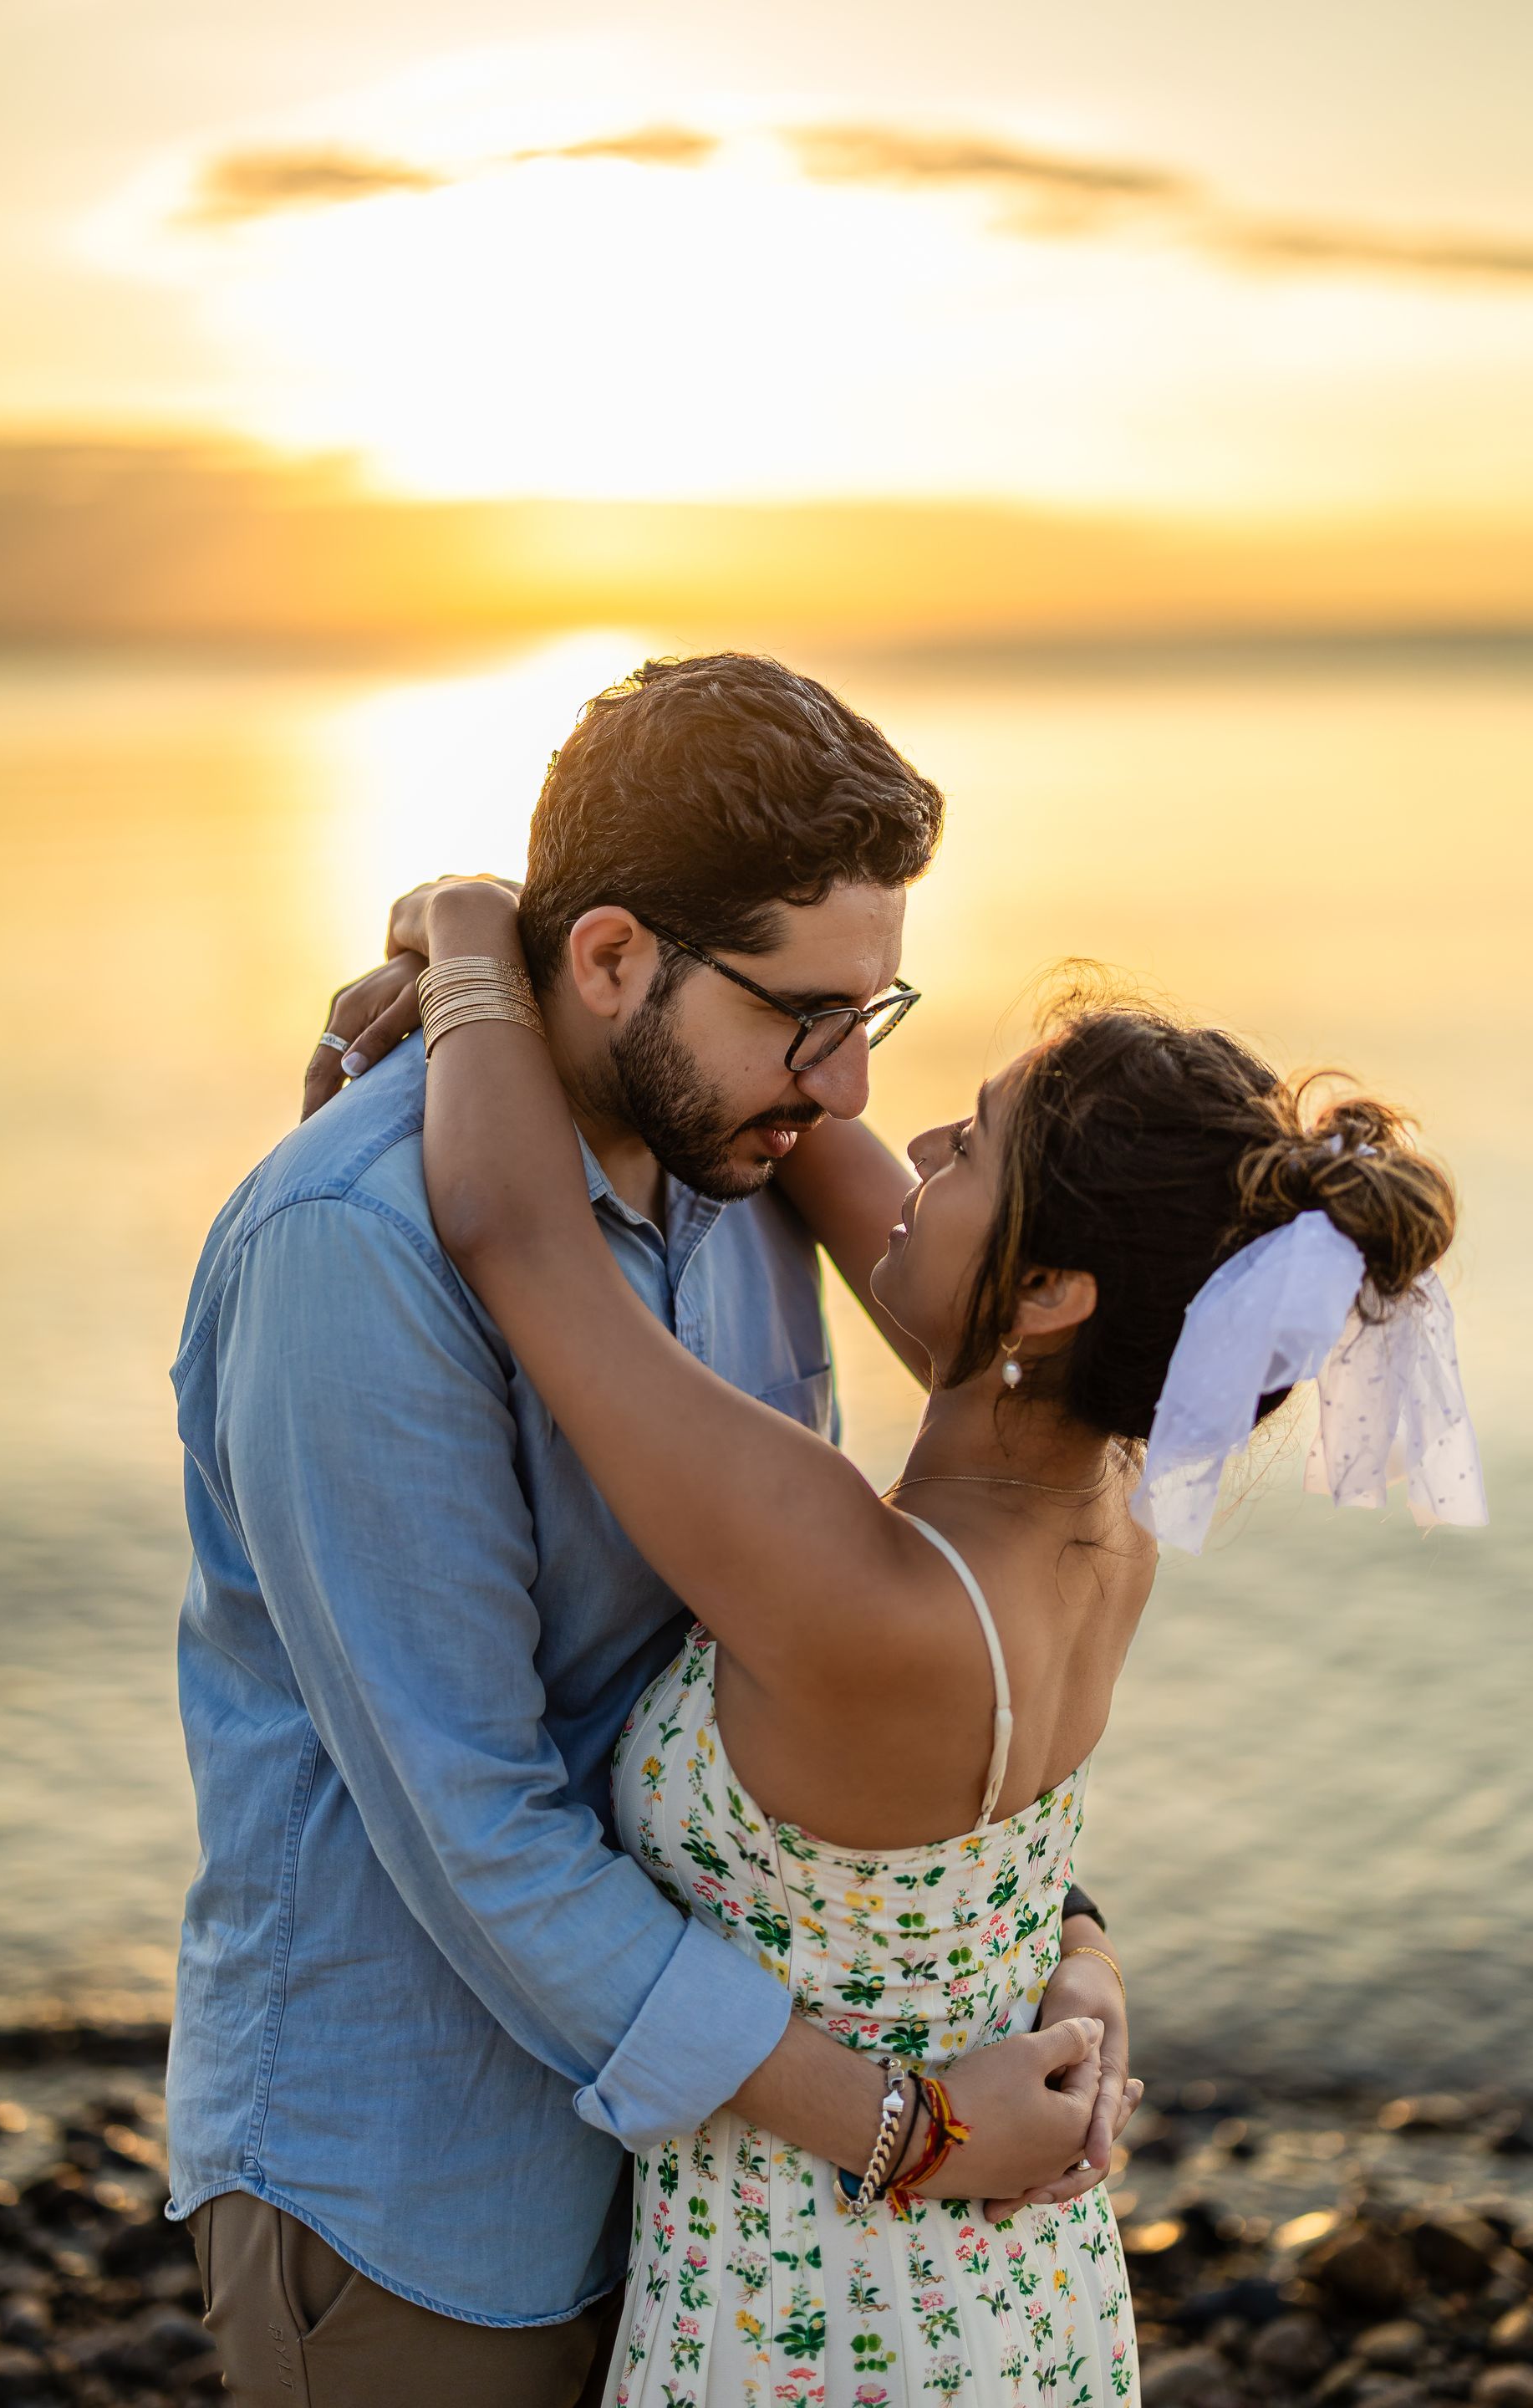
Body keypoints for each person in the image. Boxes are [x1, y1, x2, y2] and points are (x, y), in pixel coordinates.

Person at [166, 656, 1135, 2408]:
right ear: (612, 958)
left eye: (873, 1017)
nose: (846, 1091)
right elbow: (474, 1822)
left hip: (725, 2203)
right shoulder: (353, 1248)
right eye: (804, 1016)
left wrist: (1049, 1935)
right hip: (433, 2191)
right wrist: (902, 2127)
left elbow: (843, 1633)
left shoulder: (744, 1164)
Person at [380, 868, 1477, 2405]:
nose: (915, 1141)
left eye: (973, 1139)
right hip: (1020, 2300)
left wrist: (473, 937)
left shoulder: (851, 1581)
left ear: (1047, 1292)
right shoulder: (1105, 1512)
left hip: (816, 2331)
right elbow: (858, 1187)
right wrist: (1084, 1957)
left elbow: (513, 1234)